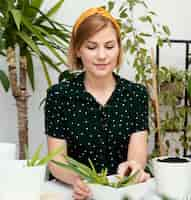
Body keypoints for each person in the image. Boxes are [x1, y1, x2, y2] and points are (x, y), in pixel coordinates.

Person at [45, 7, 150, 200]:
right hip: (73, 193)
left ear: (119, 49)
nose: (102, 56)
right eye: (91, 47)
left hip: (121, 193)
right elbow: (55, 160)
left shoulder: (136, 94)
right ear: (78, 50)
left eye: (109, 46)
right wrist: (78, 180)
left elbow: (137, 155)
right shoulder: (59, 96)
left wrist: (132, 169)